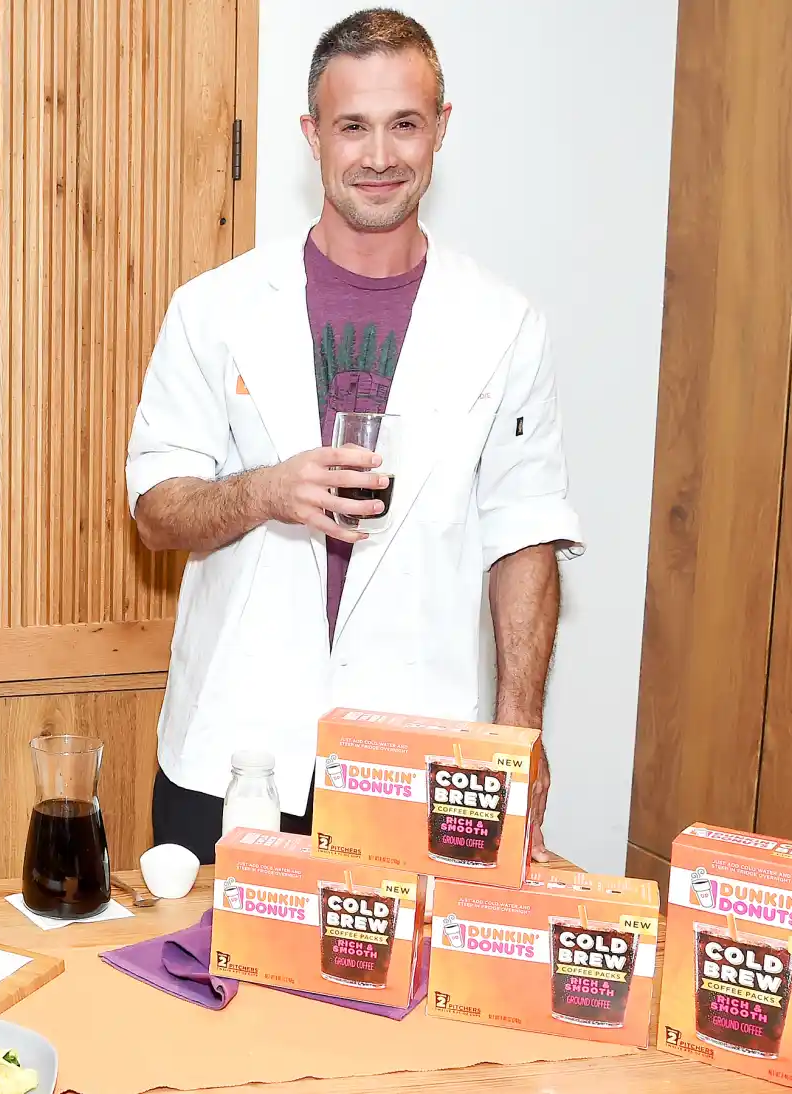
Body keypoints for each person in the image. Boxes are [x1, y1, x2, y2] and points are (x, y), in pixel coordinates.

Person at [126, 8, 582, 866]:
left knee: (407, 960)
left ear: (441, 129)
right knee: (210, 955)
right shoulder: (214, 309)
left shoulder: (503, 324)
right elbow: (156, 513)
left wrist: (518, 737)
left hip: (417, 761)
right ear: (312, 135)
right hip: (234, 754)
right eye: (352, 127)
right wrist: (267, 491)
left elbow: (523, 533)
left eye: (404, 124)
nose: (379, 156)